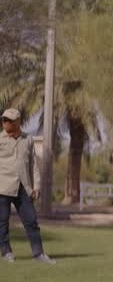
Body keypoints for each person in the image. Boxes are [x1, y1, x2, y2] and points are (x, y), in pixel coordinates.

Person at [0, 108, 54, 264]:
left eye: (8, 120)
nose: (5, 123)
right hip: (2, 187)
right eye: (4, 120)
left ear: (17, 122)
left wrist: (36, 186)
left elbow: (33, 165)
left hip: (23, 187)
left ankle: (39, 254)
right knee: (2, 222)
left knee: (31, 221)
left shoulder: (28, 140)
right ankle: (6, 252)